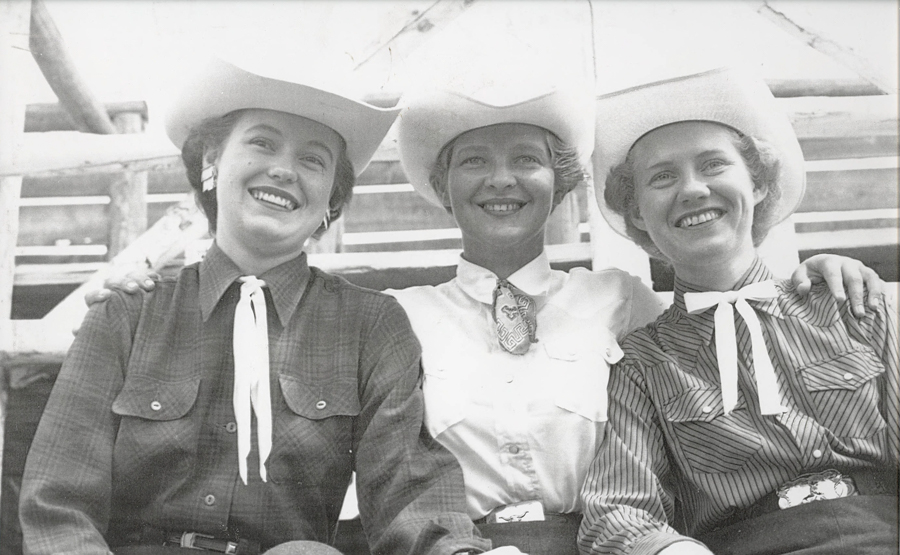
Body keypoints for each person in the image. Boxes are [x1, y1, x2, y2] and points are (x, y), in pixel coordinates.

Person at [89, 66, 887, 555]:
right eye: (475, 160)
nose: (501, 180)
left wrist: (817, 266)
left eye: (526, 160)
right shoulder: (387, 318)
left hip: (593, 543)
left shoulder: (624, 304)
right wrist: (135, 289)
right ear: (444, 186)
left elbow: (722, 318)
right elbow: (246, 334)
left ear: (560, 182)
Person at [19, 53, 498, 555]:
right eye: (262, 143)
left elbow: (410, 487)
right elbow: (59, 505)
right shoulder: (126, 315)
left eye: (312, 160)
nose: (283, 170)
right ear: (212, 163)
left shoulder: (371, 326)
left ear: (331, 202)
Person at [579, 67, 898, 555]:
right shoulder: (641, 366)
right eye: (662, 177)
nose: (692, 190)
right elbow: (618, 510)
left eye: (713, 165)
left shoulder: (851, 304)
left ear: (760, 183)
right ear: (638, 211)